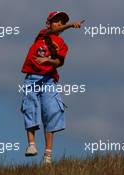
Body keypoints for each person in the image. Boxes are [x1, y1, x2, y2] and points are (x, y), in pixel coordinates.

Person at [20, 11, 83, 164]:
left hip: (48, 80)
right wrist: (70, 25)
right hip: (32, 78)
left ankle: (47, 155)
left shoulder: (62, 45)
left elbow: (58, 63)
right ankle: (31, 145)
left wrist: (48, 61)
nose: (60, 24)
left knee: (52, 112)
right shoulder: (43, 34)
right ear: (48, 23)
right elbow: (53, 31)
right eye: (57, 21)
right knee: (29, 108)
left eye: (62, 21)